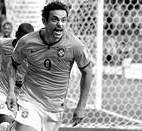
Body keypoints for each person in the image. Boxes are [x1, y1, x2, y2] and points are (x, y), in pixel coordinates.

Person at [6, 1, 92, 131]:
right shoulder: (27, 42)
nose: (60, 24)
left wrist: (81, 105)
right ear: (44, 21)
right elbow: (12, 64)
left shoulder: (75, 45)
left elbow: (87, 71)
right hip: (30, 102)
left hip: (55, 108)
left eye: (63, 20)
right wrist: (11, 92)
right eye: (55, 20)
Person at [0, 23, 34, 131]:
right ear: (16, 34)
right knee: (4, 125)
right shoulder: (2, 44)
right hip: (1, 89)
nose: (25, 43)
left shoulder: (34, 52)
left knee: (15, 128)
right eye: (22, 38)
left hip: (21, 93)